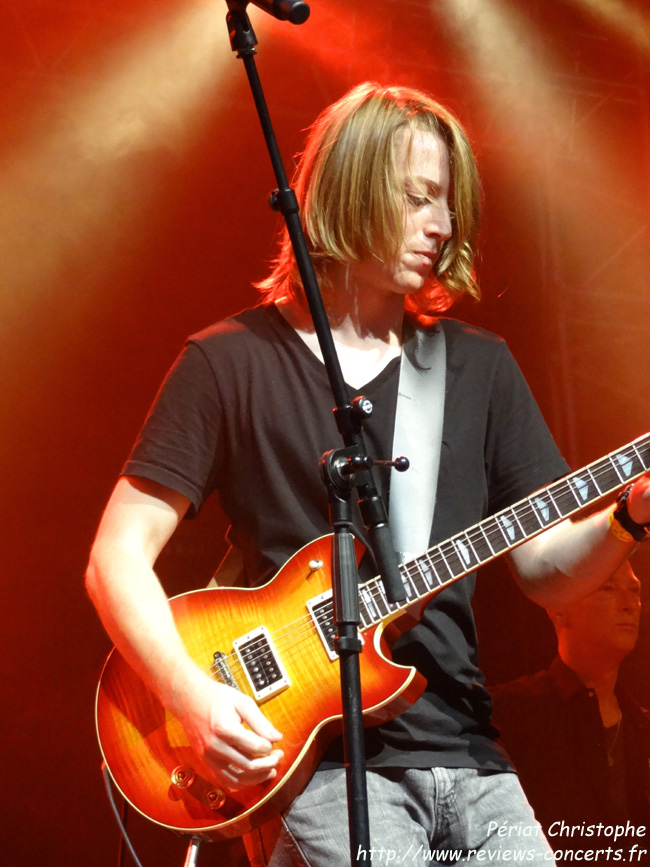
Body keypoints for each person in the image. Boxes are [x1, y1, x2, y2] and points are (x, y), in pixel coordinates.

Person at [85, 82, 650, 866]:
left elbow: (548, 573)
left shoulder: (477, 366)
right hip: (320, 767)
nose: (444, 225)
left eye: (448, 202)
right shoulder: (227, 362)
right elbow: (114, 558)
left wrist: (631, 517)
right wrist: (192, 695)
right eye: (419, 198)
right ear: (352, 192)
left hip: (475, 758)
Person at [491, 562, 650, 855]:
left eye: (635, 590)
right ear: (559, 608)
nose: (630, 605)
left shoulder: (642, 725)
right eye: (608, 588)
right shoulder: (508, 714)